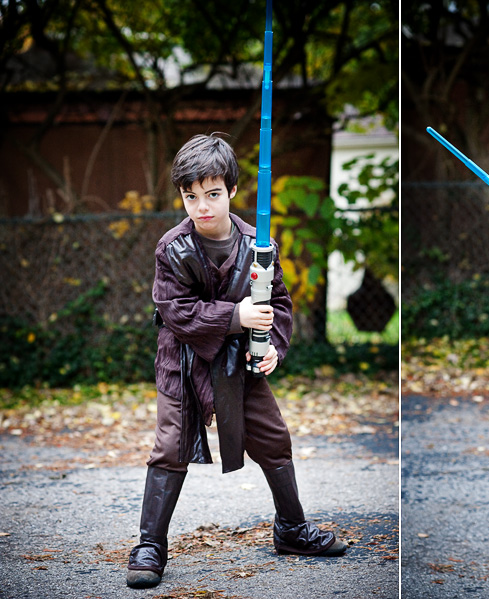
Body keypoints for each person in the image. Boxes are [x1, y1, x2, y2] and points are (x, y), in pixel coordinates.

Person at [126, 133, 346, 590]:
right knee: (170, 447)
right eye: (191, 196)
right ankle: (150, 545)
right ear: (182, 196)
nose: (202, 206)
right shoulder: (171, 248)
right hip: (183, 363)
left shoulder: (258, 245)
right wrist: (235, 315)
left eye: (212, 194)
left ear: (231, 191)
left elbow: (279, 304)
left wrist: (272, 349)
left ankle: (292, 529)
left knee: (273, 438)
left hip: (240, 364)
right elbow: (175, 312)